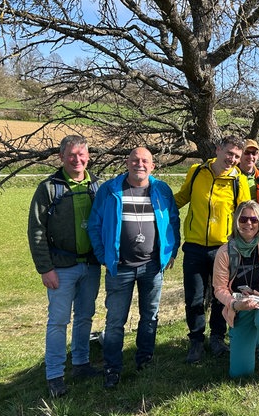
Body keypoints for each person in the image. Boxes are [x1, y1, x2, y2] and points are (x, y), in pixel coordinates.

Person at [87, 147, 181, 388]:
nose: (140, 164)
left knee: (149, 317)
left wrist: (170, 250)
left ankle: (145, 361)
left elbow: (172, 220)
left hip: (152, 266)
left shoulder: (161, 190)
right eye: (135, 160)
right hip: (120, 267)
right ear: (127, 163)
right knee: (115, 321)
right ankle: (112, 367)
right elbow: (95, 225)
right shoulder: (110, 190)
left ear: (153, 166)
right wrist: (103, 255)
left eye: (145, 161)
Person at [28, 135, 102, 398]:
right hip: (60, 267)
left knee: (85, 318)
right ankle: (55, 375)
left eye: (82, 155)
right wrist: (44, 268)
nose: (77, 159)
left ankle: (81, 364)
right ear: (61, 157)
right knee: (58, 322)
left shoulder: (97, 186)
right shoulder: (49, 188)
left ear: (89, 157)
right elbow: (36, 230)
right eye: (71, 155)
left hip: (91, 266)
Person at [174, 136, 251, 363]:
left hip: (224, 249)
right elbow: (182, 197)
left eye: (237, 156)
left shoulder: (239, 181)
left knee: (221, 297)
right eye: (229, 153)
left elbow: (245, 216)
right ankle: (196, 341)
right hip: (195, 246)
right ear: (218, 149)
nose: (232, 159)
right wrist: (153, 202)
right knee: (195, 298)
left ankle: (218, 338)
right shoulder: (197, 172)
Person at [212, 201, 259, 387]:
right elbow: (219, 288)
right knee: (239, 373)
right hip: (241, 306)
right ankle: (254, 338)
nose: (248, 224)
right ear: (236, 222)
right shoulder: (225, 251)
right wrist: (235, 304)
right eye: (243, 219)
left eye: (253, 219)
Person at [239, 139, 259, 204]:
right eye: (247, 152)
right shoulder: (232, 175)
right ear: (240, 154)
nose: (250, 156)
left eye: (254, 153)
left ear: (258, 156)